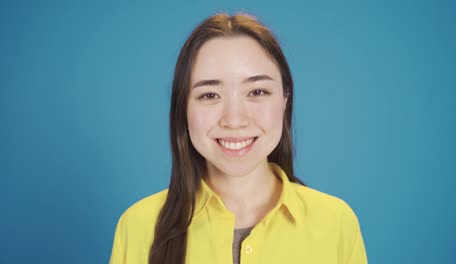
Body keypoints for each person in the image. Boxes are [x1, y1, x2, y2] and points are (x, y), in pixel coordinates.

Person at [109, 13, 367, 264]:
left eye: (257, 91)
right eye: (210, 95)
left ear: (285, 100)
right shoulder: (139, 226)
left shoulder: (336, 223)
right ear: (183, 108)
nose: (234, 119)